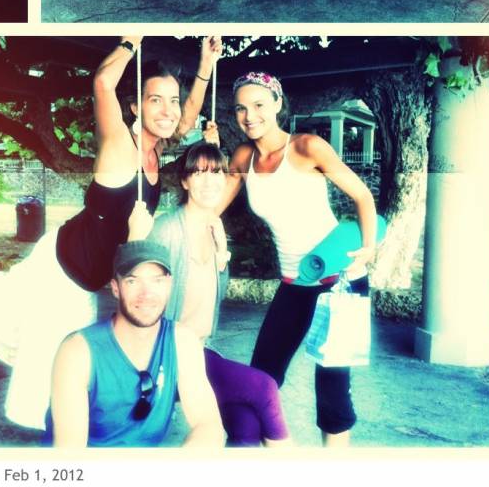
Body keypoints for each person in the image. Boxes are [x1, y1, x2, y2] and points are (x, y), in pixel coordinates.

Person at [0, 35, 223, 433]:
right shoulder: (121, 145)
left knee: (16, 301)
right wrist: (129, 43)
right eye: (156, 99)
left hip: (81, 275)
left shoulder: (157, 149)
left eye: (172, 100)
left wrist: (206, 65)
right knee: (43, 351)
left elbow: (187, 118)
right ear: (135, 106)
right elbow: (102, 82)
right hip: (64, 268)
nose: (169, 110)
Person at [215, 72, 379, 447]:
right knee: (262, 379)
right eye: (241, 108)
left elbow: (363, 197)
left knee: (333, 389)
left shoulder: (307, 147)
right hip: (293, 283)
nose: (249, 115)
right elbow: (212, 207)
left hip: (339, 280)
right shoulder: (244, 156)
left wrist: (368, 248)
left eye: (258, 105)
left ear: (277, 103)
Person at [147, 142, 290, 447]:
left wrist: (223, 256)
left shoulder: (214, 230)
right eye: (198, 173)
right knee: (264, 388)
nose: (209, 180)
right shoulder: (167, 230)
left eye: (217, 172)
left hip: (202, 351)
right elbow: (144, 300)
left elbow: (213, 298)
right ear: (185, 181)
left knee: (246, 424)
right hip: (169, 354)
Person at [49, 240, 225, 447]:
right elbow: (70, 455)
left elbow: (209, 425)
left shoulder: (181, 341)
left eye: (157, 281)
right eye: (133, 281)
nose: (146, 294)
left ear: (169, 285)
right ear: (115, 288)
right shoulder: (78, 352)